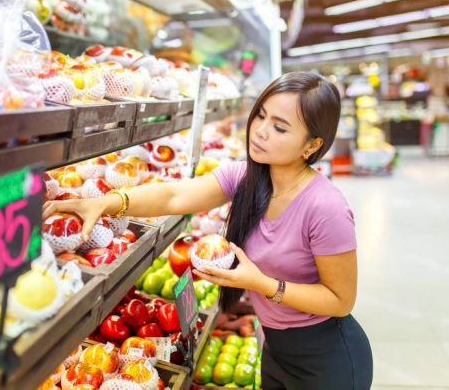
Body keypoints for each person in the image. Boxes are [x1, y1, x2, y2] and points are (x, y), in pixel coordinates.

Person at [43, 71, 374, 390]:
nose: (259, 131)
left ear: (310, 145)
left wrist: (261, 284)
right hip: (275, 349)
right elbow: (175, 195)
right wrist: (107, 202)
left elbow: (341, 300)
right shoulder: (249, 178)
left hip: (328, 359)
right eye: (260, 115)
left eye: (279, 127)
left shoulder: (326, 207)